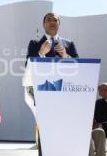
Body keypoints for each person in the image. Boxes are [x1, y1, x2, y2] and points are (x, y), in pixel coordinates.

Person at [25, 12, 79, 156]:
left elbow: (79, 67)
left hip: (66, 95)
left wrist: (66, 57)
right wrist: (41, 54)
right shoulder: (35, 44)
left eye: (55, 20)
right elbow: (27, 67)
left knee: (66, 132)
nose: (52, 22)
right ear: (44, 24)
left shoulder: (69, 44)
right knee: (47, 134)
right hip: (45, 94)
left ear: (59, 24)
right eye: (49, 20)